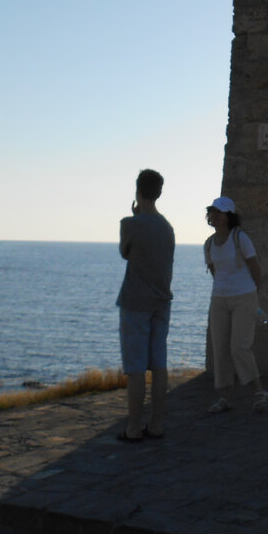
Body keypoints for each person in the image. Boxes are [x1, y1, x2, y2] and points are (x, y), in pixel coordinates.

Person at [115, 168, 175, 441]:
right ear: (159, 193)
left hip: (136, 300)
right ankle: (158, 423)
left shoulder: (130, 223)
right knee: (159, 364)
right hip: (162, 301)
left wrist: (136, 215)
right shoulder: (168, 228)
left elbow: (125, 252)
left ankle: (134, 427)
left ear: (138, 190)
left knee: (136, 367)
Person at [204, 196, 267, 413]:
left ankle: (258, 392)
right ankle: (224, 398)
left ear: (229, 216)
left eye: (219, 212)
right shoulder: (209, 243)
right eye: (213, 211)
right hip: (219, 299)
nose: (215, 215)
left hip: (244, 297)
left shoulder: (240, 238)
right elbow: (215, 272)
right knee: (220, 349)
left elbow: (255, 268)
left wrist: (252, 294)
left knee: (239, 347)